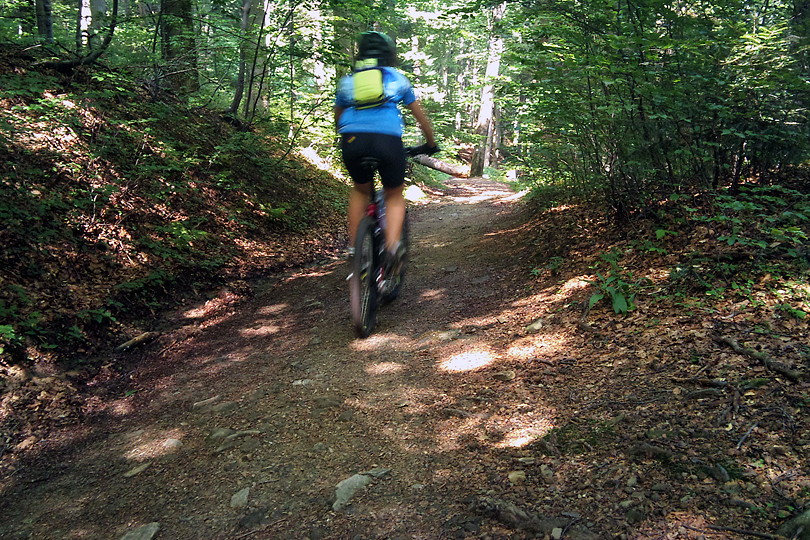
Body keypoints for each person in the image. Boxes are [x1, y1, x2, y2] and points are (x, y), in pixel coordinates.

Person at [334, 31, 439, 274]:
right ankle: (391, 248)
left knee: (361, 190)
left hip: (352, 140)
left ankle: (354, 250)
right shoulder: (398, 79)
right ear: (389, 55)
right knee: (393, 194)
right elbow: (420, 117)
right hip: (387, 141)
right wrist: (431, 143)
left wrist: (348, 137)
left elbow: (338, 117)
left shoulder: (348, 81)